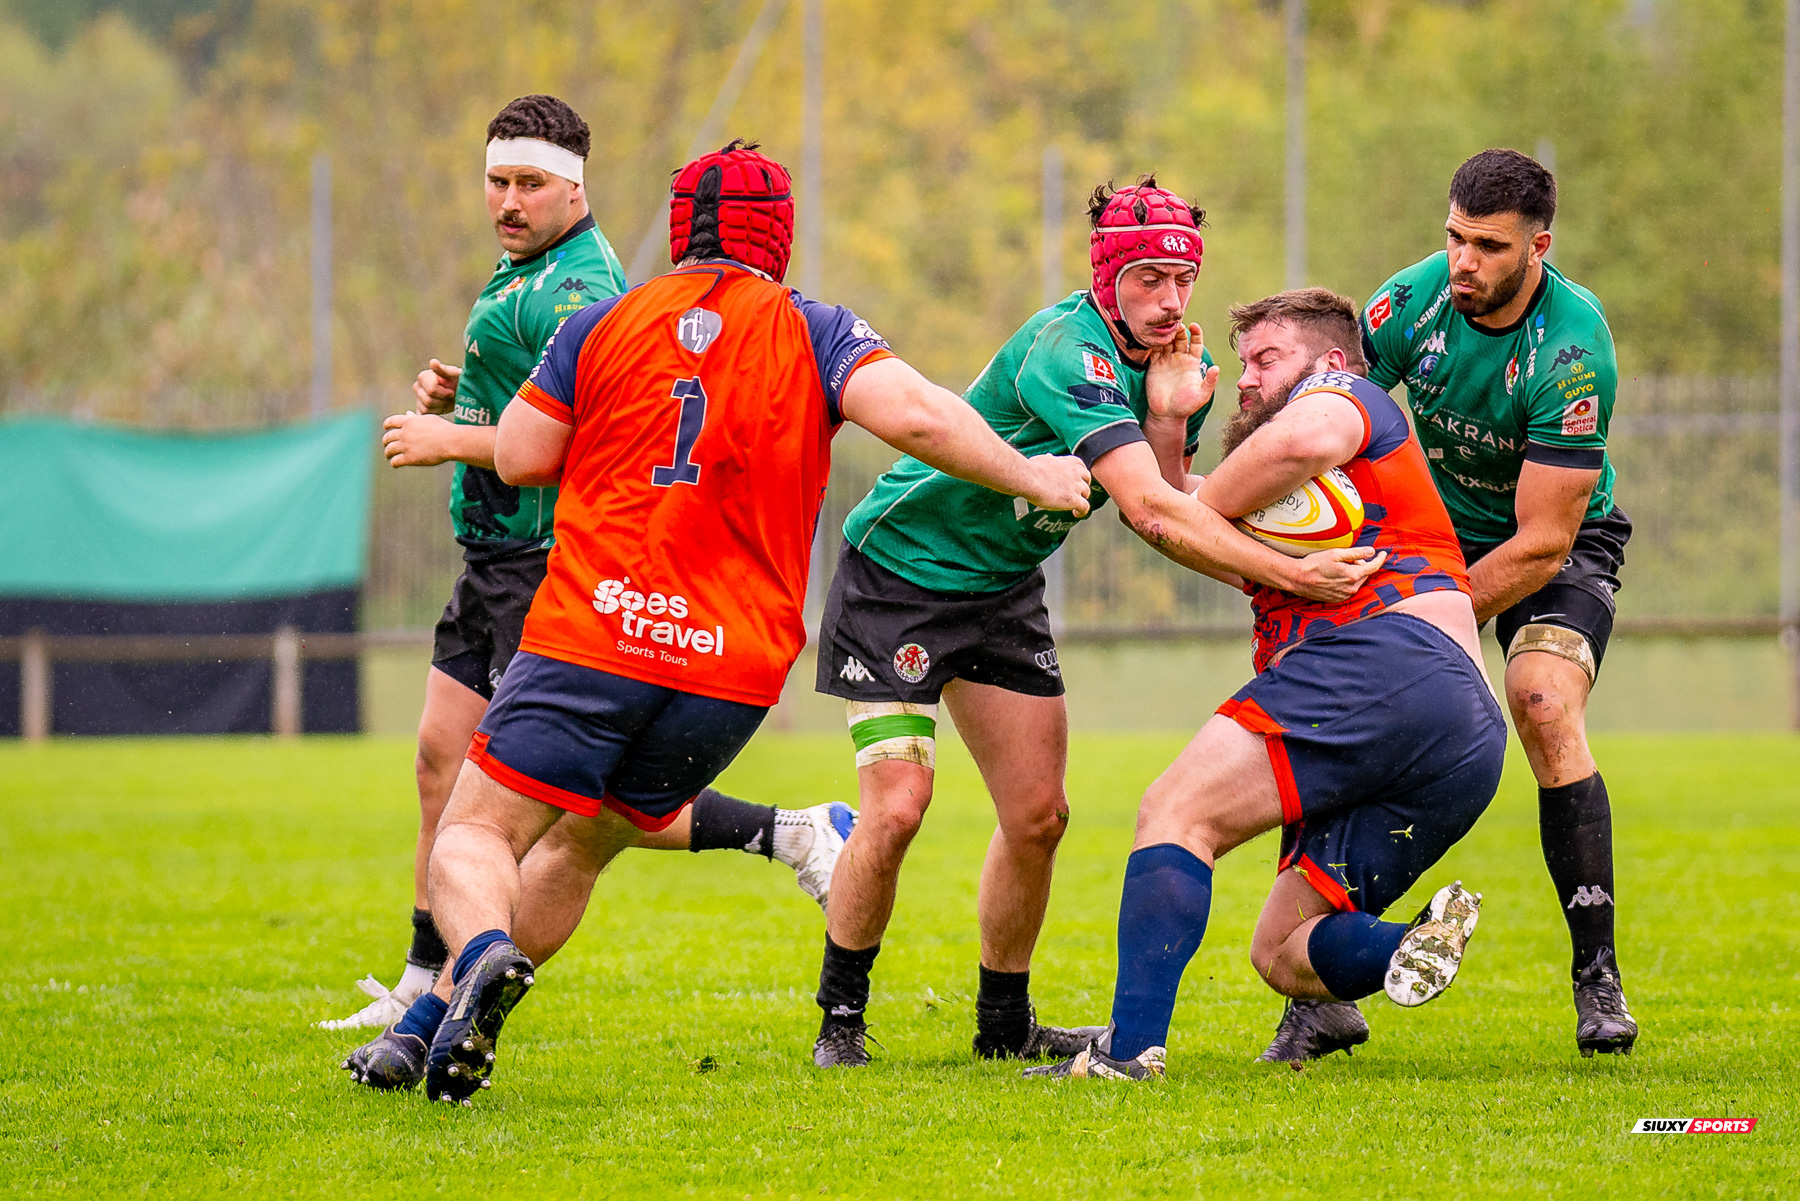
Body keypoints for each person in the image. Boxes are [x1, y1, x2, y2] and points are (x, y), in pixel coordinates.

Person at [342, 140, 1096, 1102]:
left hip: (596, 632)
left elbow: (528, 453)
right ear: (779, 234)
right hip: (728, 669)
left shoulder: (605, 322)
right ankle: (423, 1030)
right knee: (581, 842)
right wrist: (1033, 472)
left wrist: (479, 415)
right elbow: (915, 417)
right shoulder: (814, 329)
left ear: (680, 224)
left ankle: (483, 952)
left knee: (473, 832)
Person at [804, 180, 1385, 1068]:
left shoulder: (1144, 357)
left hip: (1001, 589)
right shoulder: (1066, 352)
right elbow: (1153, 511)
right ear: (1109, 272)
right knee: (897, 810)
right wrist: (1292, 574)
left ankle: (1003, 1025)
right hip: (899, 581)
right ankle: (840, 1019)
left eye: (1184, 279)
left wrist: (1167, 417)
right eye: (1150, 278)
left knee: (1039, 816)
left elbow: (1156, 498)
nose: (1171, 300)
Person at [320, 99, 850, 1034]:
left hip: (547, 559)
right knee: (444, 763)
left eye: (529, 183)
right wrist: (468, 390)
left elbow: (566, 441)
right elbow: (532, 394)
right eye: (498, 181)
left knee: (563, 804)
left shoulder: (583, 292)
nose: (509, 201)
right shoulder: (524, 270)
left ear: (575, 187)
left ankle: (792, 831)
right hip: (489, 556)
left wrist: (450, 435)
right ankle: (423, 978)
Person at [1028, 289, 1505, 1081]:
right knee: (1283, 951)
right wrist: (1172, 424)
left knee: (1176, 812)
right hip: (1461, 729)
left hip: (1384, 660)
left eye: (1266, 359)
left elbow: (1206, 499)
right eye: (1242, 361)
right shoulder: (1287, 484)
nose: (1245, 378)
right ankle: (1413, 940)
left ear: (1329, 362)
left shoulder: (1343, 399)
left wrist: (1192, 505)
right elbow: (1174, 517)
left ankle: (1125, 1055)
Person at [1261, 148, 1636, 1064]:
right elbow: (1333, 415)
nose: (1463, 262)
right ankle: (1319, 995)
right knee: (1329, 707)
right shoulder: (1411, 303)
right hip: (1433, 539)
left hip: (1558, 543)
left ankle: (1597, 976)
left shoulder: (1573, 352)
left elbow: (1544, 540)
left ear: (1538, 246)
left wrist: (1422, 612)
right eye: (1454, 238)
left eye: (1489, 246)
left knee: (1544, 704)